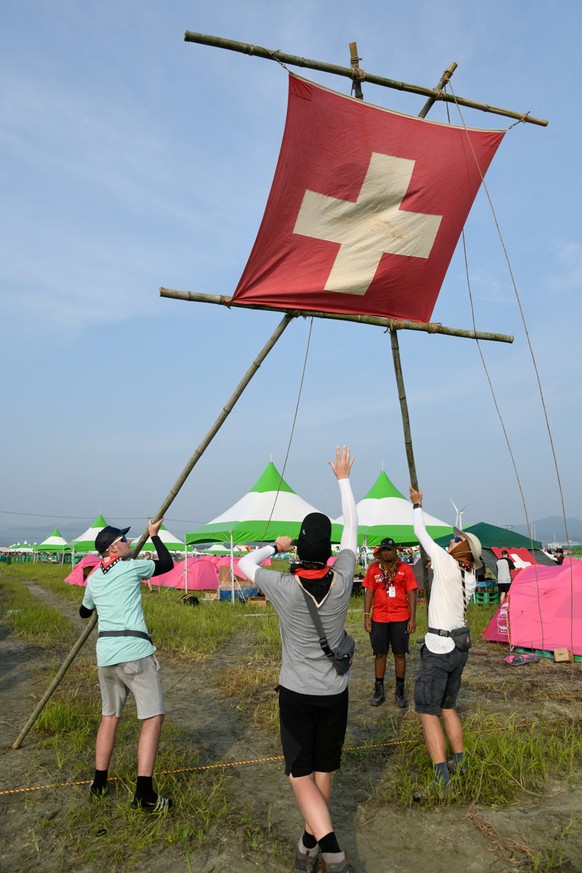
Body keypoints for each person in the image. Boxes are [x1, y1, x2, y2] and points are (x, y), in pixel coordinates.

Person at [239, 446, 358, 873]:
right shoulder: (343, 579)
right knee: (323, 768)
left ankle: (332, 851)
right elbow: (352, 535)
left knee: (299, 774)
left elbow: (241, 563)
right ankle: (309, 844)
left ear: (298, 550)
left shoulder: (282, 586)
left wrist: (275, 544)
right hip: (335, 693)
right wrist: (343, 479)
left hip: (295, 692)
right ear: (328, 552)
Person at [79, 518, 173, 812]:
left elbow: (84, 612)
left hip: (105, 656)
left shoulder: (94, 579)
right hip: (134, 652)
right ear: (112, 548)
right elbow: (167, 564)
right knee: (152, 717)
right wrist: (155, 536)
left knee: (110, 717)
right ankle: (144, 794)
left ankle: (99, 783)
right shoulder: (132, 568)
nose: (130, 543)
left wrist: (102, 602)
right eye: (124, 540)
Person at [409, 486, 481, 798]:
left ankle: (441, 778)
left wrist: (417, 506)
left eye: (455, 540)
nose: (449, 541)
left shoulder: (444, 560)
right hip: (460, 647)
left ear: (461, 548)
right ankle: (460, 764)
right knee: (449, 706)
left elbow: (418, 531)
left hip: (439, 648)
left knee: (428, 710)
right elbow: (448, 581)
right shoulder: (469, 575)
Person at [363, 537, 418, 708]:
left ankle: (399, 693)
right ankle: (378, 692)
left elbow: (411, 594)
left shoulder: (405, 569)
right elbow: (369, 592)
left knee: (400, 654)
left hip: (400, 617)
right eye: (384, 550)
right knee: (380, 654)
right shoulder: (373, 569)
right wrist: (366, 615)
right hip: (379, 617)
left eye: (389, 549)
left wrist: (413, 618)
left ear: (395, 551)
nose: (386, 553)